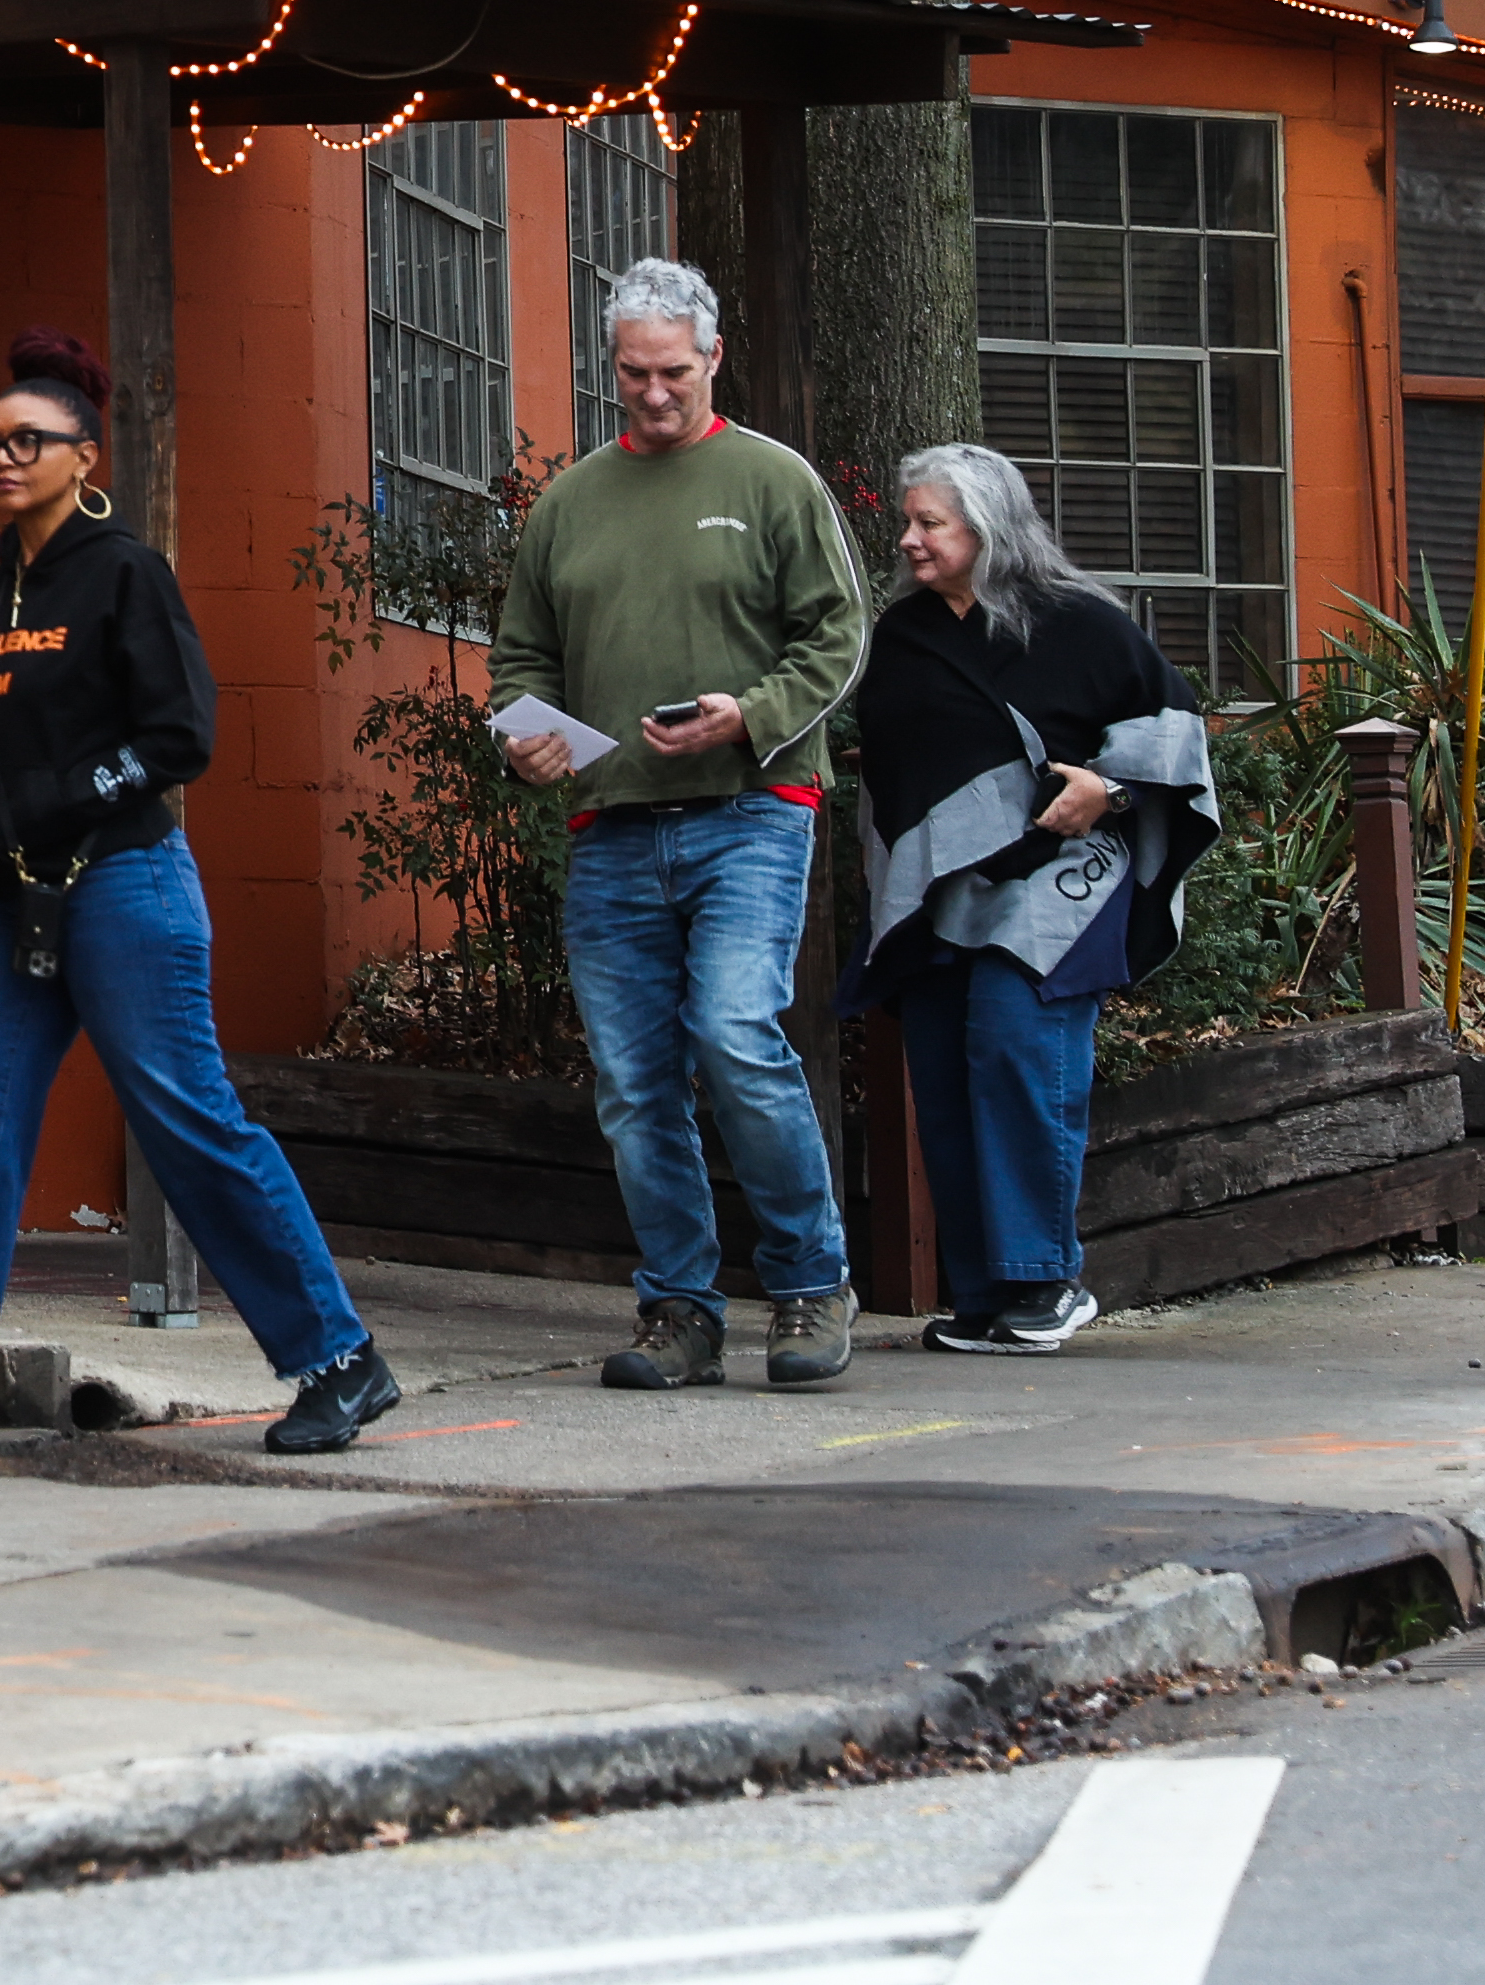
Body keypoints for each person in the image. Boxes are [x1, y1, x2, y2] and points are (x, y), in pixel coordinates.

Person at [0, 332, 399, 1455]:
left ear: (84, 455)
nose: (2, 458)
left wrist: (74, 797)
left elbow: (181, 737)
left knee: (187, 1123)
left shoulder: (126, 574)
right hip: (13, 906)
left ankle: (340, 1359)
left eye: (29, 441)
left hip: (125, 883)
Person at [491, 254, 874, 1392]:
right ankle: (681, 1311)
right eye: (631, 374)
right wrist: (525, 738)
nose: (653, 394)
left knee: (735, 1033)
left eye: (673, 372)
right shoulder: (570, 502)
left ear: (714, 358)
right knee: (633, 1079)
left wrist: (746, 716)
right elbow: (521, 661)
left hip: (752, 808)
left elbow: (840, 635)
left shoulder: (773, 481)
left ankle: (810, 1285)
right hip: (610, 821)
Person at [848, 444, 1217, 1357]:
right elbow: (891, 769)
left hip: (1061, 878)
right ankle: (982, 1296)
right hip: (944, 890)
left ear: (989, 528)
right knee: (939, 1069)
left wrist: (1110, 792)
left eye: (930, 523)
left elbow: (1175, 736)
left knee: (1013, 1041)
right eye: (910, 521)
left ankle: (1046, 1279)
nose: (910, 540)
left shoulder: (1082, 623)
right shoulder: (900, 638)